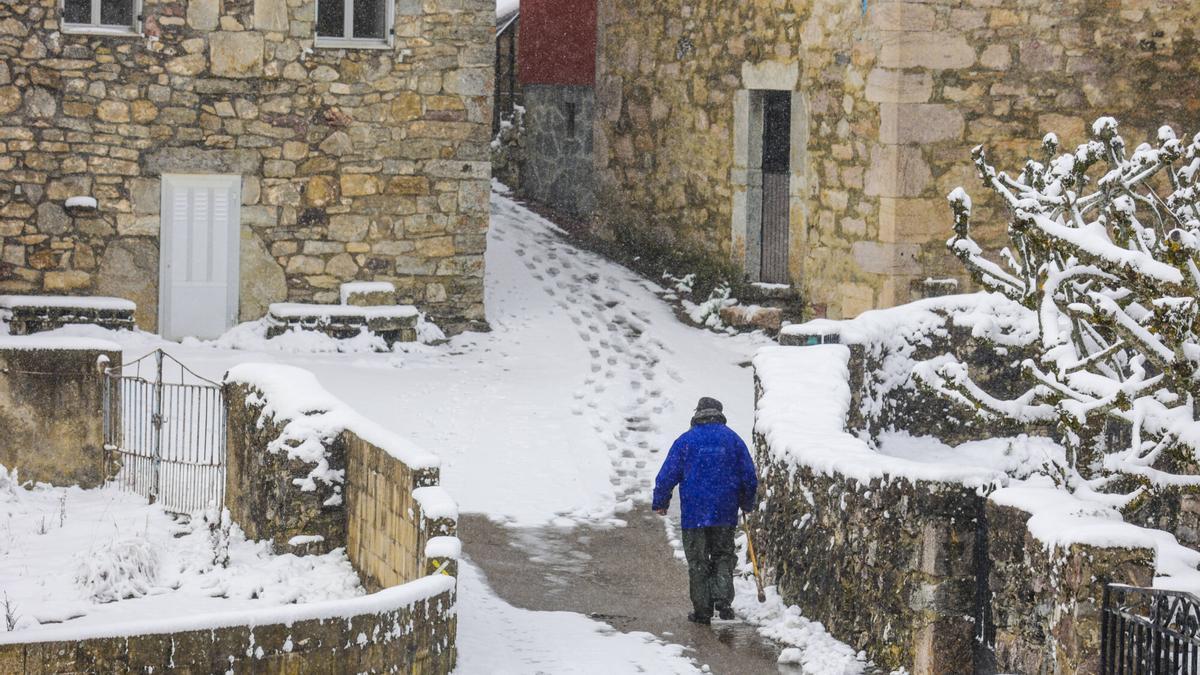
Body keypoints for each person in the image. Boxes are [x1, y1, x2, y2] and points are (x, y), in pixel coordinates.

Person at [652, 396, 758, 625]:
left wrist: (661, 501)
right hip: (724, 511)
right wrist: (747, 502)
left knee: (698, 561)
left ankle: (702, 611)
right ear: (719, 413)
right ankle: (723, 600)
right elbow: (749, 477)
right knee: (723, 555)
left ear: (698, 413)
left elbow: (667, 475)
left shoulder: (686, 441)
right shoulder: (733, 440)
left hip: (695, 513)